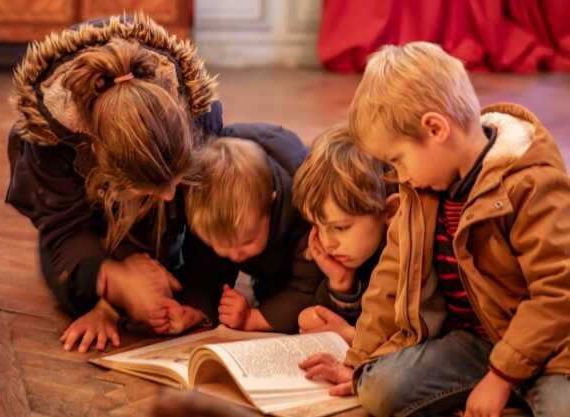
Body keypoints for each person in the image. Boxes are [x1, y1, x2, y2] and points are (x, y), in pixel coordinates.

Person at [300, 41, 570, 417]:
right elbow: (391, 276)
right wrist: (358, 359)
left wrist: (501, 377)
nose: (400, 176)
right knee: (377, 389)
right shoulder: (420, 188)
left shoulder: (531, 183)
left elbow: (557, 295)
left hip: (553, 347)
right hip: (478, 342)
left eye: (398, 159)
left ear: (435, 128)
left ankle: (514, 391)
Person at [6, 14, 222, 352]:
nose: (168, 196)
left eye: (175, 180)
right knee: (73, 283)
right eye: (150, 188)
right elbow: (64, 226)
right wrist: (110, 285)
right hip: (86, 218)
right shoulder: (49, 140)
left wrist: (197, 304)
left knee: (190, 260)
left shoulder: (198, 113)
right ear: (96, 155)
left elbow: (207, 219)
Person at [179, 124, 324, 333]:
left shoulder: (304, 208)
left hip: (294, 253)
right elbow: (202, 272)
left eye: (247, 241)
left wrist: (254, 318)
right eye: (219, 244)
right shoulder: (207, 207)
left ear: (270, 205)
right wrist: (195, 310)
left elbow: (308, 287)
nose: (235, 255)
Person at [292, 125, 397, 343]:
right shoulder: (347, 250)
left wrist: (350, 335)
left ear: (389, 210)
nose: (327, 243)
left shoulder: (407, 254)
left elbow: (405, 336)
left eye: (340, 227)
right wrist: (341, 283)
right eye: (317, 226)